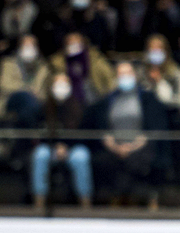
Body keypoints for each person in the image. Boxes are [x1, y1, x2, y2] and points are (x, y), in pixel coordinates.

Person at [83, 61, 169, 209]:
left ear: (135, 75)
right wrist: (114, 145)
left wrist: (133, 146)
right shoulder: (108, 100)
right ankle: (117, 200)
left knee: (138, 160)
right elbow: (102, 128)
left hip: (141, 145)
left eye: (128, 73)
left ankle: (137, 200)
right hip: (114, 147)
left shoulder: (146, 98)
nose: (125, 77)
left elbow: (153, 127)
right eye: (121, 74)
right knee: (105, 160)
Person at [31, 73, 93, 209]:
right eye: (57, 84)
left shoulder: (79, 106)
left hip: (73, 148)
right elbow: (40, 132)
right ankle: (39, 201)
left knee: (81, 157)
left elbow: (83, 133)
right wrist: (55, 145)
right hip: (50, 147)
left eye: (64, 84)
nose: (61, 87)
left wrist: (66, 146)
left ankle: (85, 202)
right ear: (51, 87)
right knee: (40, 155)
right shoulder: (44, 107)